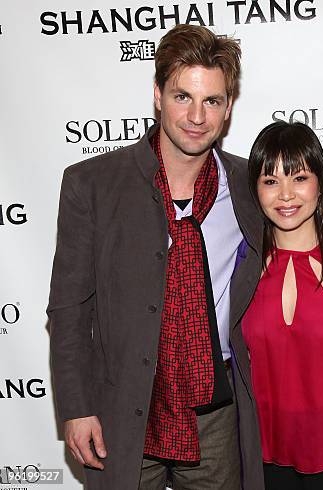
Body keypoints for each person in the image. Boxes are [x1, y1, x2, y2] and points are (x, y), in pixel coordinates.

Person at [47, 24, 263, 490]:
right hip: (123, 408)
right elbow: (68, 309)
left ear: (228, 109)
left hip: (216, 412)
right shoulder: (94, 184)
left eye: (212, 101)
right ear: (157, 95)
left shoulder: (251, 187)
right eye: (183, 96)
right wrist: (77, 406)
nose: (196, 116)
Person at [238, 121, 323, 490]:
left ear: (320, 184)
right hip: (264, 447)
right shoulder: (243, 264)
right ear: (255, 189)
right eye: (270, 181)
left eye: (298, 178)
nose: (285, 195)